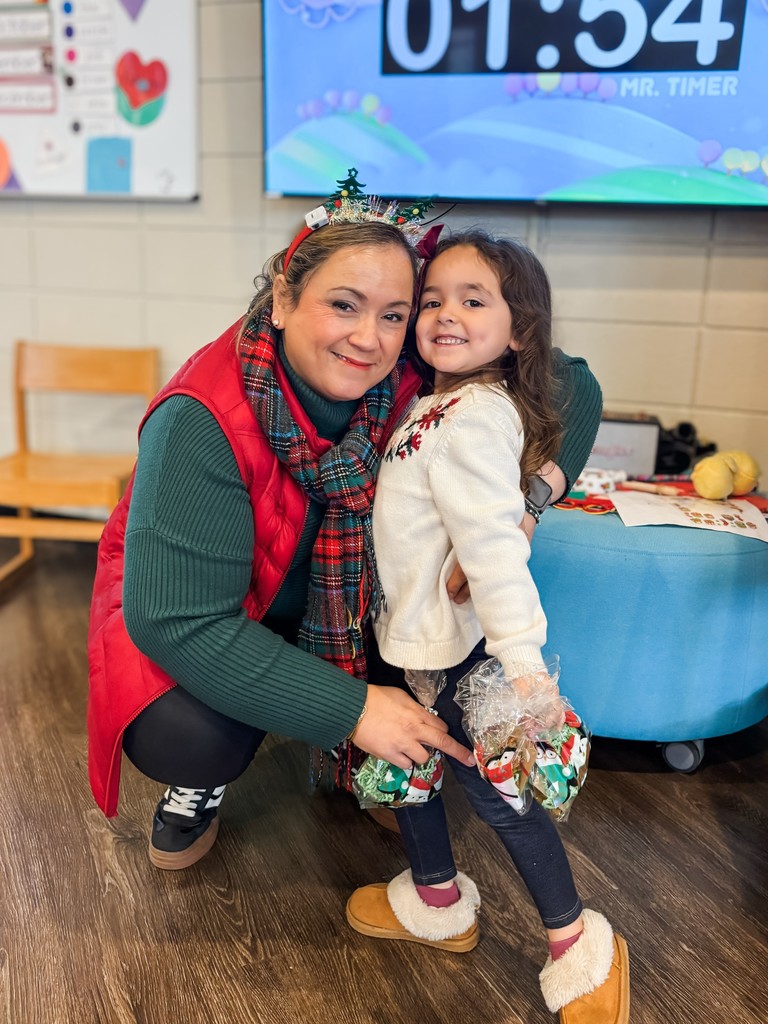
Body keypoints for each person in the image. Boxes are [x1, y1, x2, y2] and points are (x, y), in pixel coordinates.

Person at [86, 177, 599, 883]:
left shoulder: (416, 357)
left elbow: (574, 383)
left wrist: (529, 504)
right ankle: (208, 781)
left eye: (394, 313)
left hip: (346, 607)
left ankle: (364, 756)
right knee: (190, 736)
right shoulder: (198, 421)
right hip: (216, 608)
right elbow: (178, 621)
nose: (369, 338)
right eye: (342, 305)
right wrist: (355, 708)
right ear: (284, 297)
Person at [346, 230, 629, 1024]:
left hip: (464, 656)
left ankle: (576, 945)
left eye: (474, 301)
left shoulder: (474, 418)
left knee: (496, 794)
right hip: (410, 641)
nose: (444, 315)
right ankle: (437, 899)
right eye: (432, 300)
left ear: (520, 330)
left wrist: (525, 667)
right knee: (413, 773)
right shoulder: (430, 406)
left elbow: (496, 553)